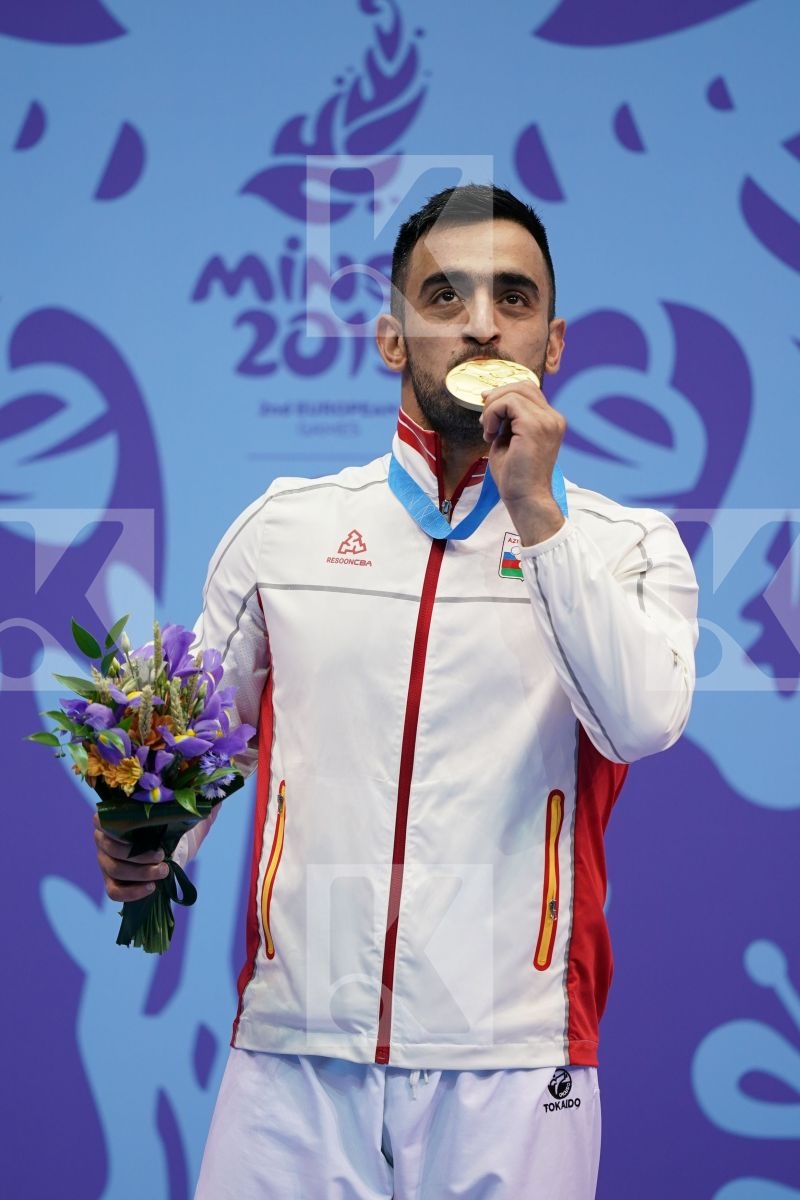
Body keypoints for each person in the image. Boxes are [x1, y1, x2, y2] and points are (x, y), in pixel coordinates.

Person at [94, 183, 699, 1199]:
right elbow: (200, 746)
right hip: (290, 1058)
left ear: (551, 344)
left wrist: (537, 518)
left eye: (511, 297)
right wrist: (148, 835)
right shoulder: (282, 529)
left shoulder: (620, 544)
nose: (476, 321)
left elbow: (638, 721)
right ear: (390, 338)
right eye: (442, 294)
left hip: (513, 1061)